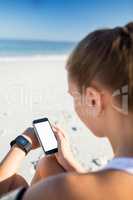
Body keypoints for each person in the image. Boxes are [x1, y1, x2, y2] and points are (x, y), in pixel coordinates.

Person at [0, 21, 133, 200]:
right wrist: (68, 161)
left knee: (13, 184)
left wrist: (24, 143)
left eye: (74, 96)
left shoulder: (62, 189)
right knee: (49, 164)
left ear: (93, 100)